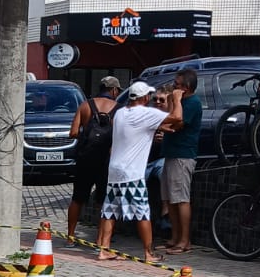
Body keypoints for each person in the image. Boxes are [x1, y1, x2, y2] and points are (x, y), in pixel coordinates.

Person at [97, 81, 183, 265]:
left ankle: (104, 250)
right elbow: (176, 117)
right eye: (149, 97)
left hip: (115, 170)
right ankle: (148, 253)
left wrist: (155, 127)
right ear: (144, 98)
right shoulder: (146, 113)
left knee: (110, 210)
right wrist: (176, 98)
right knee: (142, 212)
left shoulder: (120, 113)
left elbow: (134, 128)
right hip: (132, 174)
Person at [66, 75, 120, 241]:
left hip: (85, 159)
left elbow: (73, 133)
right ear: (114, 90)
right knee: (103, 200)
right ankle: (100, 239)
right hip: (106, 160)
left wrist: (88, 135)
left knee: (77, 198)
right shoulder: (118, 108)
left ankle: (70, 236)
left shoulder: (85, 105)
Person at [161, 67, 203, 252]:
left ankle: (185, 240)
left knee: (180, 198)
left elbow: (176, 123)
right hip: (171, 153)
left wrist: (176, 100)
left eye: (176, 85)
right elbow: (169, 116)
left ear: (185, 87)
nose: (173, 87)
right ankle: (175, 236)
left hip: (183, 155)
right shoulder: (179, 101)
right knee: (170, 198)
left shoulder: (192, 103)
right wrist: (172, 100)